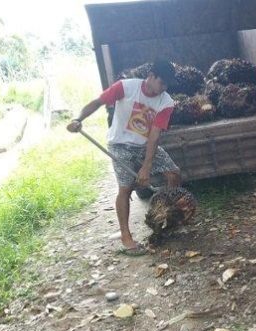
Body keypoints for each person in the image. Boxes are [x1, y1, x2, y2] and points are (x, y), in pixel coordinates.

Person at [66, 59, 180, 255]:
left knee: (174, 174)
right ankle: (126, 237)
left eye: (167, 85)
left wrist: (146, 166)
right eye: (162, 82)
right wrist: (78, 119)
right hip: (119, 145)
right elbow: (97, 102)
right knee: (126, 188)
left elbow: (154, 136)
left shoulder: (166, 101)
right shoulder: (126, 87)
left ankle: (166, 216)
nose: (164, 88)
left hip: (144, 145)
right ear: (151, 76)